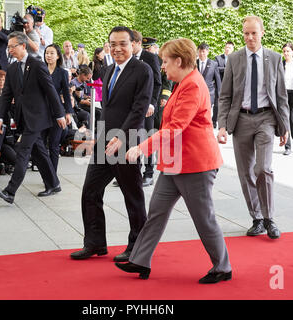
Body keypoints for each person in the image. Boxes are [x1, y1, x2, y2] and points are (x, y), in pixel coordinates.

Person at [115, 38, 232, 284]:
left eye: (166, 62)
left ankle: (222, 267)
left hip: (195, 164)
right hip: (175, 161)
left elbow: (176, 127)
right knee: (156, 212)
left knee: (204, 218)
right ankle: (140, 260)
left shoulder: (193, 85)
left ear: (179, 61)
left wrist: (141, 148)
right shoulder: (183, 82)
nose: (163, 67)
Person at [70, 26, 153, 262]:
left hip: (126, 142)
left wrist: (121, 136)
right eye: (113, 44)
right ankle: (94, 243)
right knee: (90, 191)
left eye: (122, 44)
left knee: (132, 195)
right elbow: (107, 108)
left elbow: (139, 109)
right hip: (104, 141)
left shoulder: (142, 70)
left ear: (132, 43)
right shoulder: (107, 70)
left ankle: (137, 247)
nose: (117, 48)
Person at [217, 16, 290, 240]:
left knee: (263, 168)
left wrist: (285, 125)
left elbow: (281, 96)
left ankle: (269, 219)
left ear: (262, 33)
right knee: (245, 172)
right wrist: (221, 125)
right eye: (246, 33)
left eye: (254, 33)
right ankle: (256, 218)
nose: (249, 37)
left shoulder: (275, 58)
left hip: (267, 118)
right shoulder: (235, 59)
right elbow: (225, 95)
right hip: (241, 120)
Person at [0, 32, 67, 204]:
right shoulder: (11, 68)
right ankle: (53, 183)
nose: (9, 50)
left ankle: (10, 191)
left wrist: (60, 114)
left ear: (23, 46)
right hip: (22, 118)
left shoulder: (37, 64)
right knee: (39, 152)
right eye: (9, 47)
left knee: (22, 151)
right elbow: (6, 96)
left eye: (13, 46)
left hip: (38, 117)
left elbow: (50, 91)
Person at [131, 30, 162, 187]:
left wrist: (152, 103)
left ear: (137, 43)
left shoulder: (150, 58)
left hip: (147, 106)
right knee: (132, 138)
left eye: (130, 44)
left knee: (148, 138)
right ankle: (133, 173)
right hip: (132, 106)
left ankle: (148, 173)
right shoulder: (128, 59)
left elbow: (157, 82)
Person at [43, 43, 73, 172]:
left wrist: (68, 113)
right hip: (42, 112)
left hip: (57, 113)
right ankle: (45, 172)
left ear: (58, 56)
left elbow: (66, 94)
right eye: (47, 53)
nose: (48, 56)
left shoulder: (62, 73)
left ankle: (53, 177)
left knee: (54, 145)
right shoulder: (40, 70)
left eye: (51, 53)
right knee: (41, 145)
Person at [197, 42, 221, 128]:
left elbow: (218, 80)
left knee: (206, 110)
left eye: (203, 51)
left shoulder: (213, 64)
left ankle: (205, 126)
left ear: (207, 52)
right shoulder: (193, 63)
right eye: (199, 51)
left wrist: (219, 94)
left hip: (209, 93)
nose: (201, 53)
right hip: (196, 92)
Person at [214, 41, 235, 128]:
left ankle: (227, 122)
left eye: (229, 48)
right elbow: (216, 69)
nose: (227, 49)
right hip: (220, 84)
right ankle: (214, 121)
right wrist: (227, 69)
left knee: (230, 104)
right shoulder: (218, 58)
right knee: (217, 104)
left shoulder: (235, 58)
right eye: (226, 47)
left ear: (232, 49)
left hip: (232, 85)